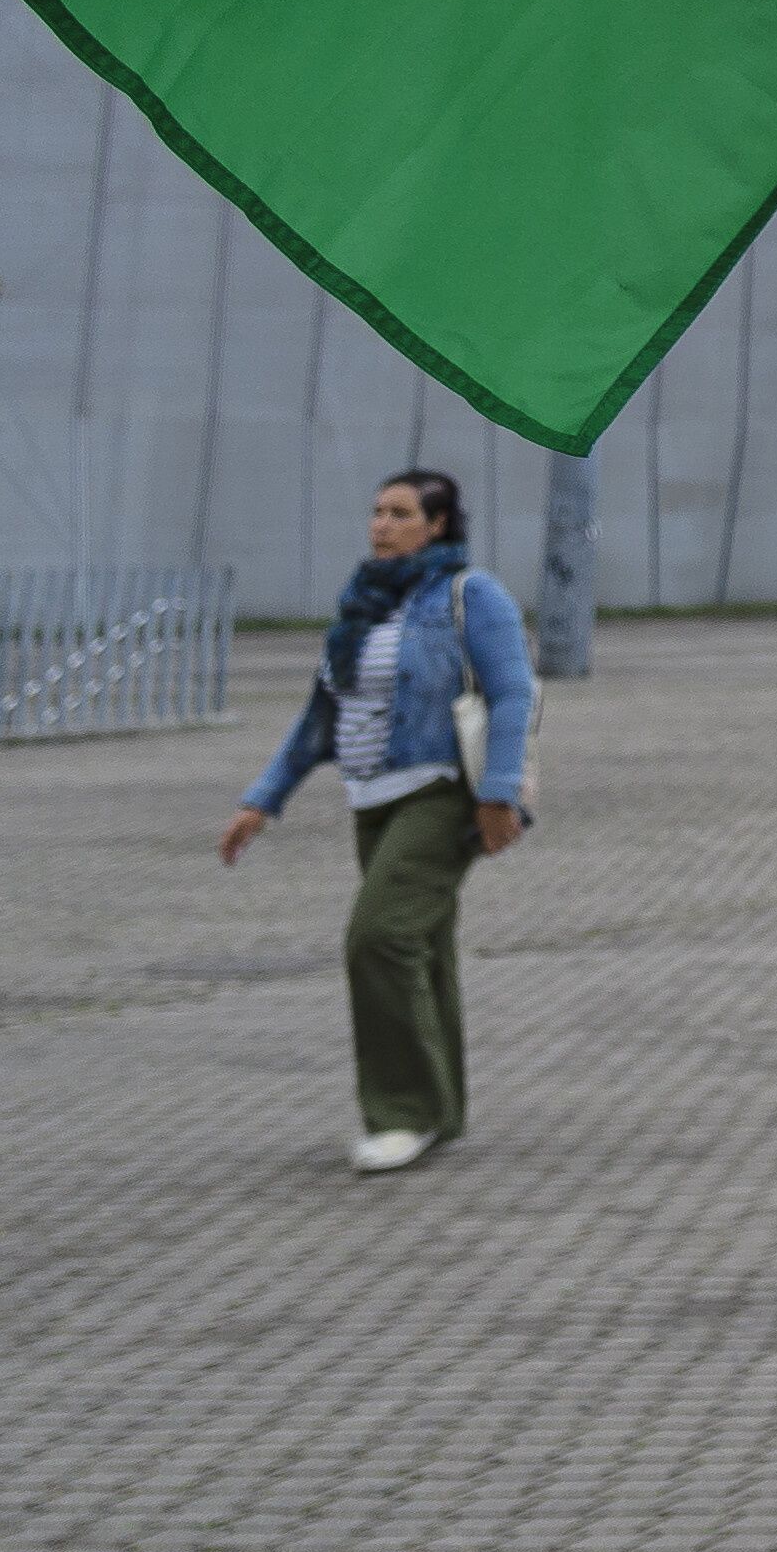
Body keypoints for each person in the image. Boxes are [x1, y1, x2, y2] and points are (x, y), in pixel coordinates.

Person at [216, 468, 536, 1175]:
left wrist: (499, 794)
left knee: (379, 938)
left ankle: (402, 1114)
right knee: (422, 946)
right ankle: (441, 1111)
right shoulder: (363, 606)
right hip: (371, 797)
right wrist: (261, 800)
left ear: (438, 526)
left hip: (441, 791)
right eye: (376, 512)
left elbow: (514, 693)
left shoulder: (469, 594)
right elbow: (320, 717)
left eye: (399, 513)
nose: (380, 525)